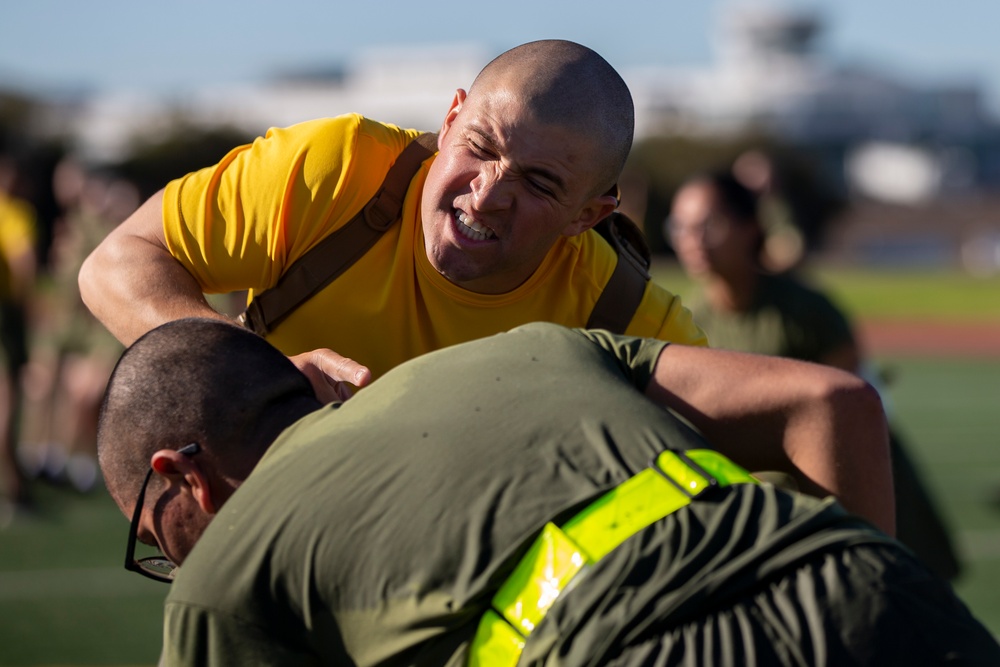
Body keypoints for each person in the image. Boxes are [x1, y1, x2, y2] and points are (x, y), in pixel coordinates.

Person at [97, 318, 1000, 665]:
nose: (170, 558)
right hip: (883, 591)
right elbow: (831, 397)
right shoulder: (534, 341)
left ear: (181, 474)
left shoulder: (222, 576)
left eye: (151, 528)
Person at [79, 40, 706, 404]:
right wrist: (246, 366)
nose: (487, 197)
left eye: (539, 183)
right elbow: (117, 262)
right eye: (481, 148)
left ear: (588, 216)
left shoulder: (628, 320)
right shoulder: (338, 171)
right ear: (452, 117)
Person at [666, 169, 962, 581]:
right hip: (764, 514)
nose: (692, 240)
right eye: (680, 226)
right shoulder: (680, 322)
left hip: (848, 491)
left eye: (709, 225)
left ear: (750, 227)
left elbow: (848, 412)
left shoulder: (807, 311)